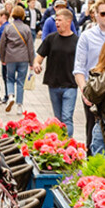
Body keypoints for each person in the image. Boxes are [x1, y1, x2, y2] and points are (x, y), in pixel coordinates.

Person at [74, 0, 105, 154]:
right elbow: (79, 68)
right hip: (94, 91)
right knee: (93, 132)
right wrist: (85, 91)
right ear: (95, 15)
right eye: (103, 13)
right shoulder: (87, 36)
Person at [33, 8, 79, 137]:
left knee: (67, 118)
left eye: (59, 20)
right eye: (56, 20)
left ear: (68, 21)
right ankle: (59, 146)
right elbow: (39, 56)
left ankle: (68, 143)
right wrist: (37, 64)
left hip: (70, 85)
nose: (56, 23)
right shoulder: (50, 39)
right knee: (58, 119)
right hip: (53, 84)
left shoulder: (77, 41)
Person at [0, 5, 34, 113]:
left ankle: (10, 96)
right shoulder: (26, 28)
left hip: (10, 57)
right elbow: (30, 47)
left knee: (10, 79)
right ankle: (19, 105)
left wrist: (2, 58)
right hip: (23, 58)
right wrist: (32, 62)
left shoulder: (8, 27)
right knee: (20, 82)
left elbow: (2, 44)